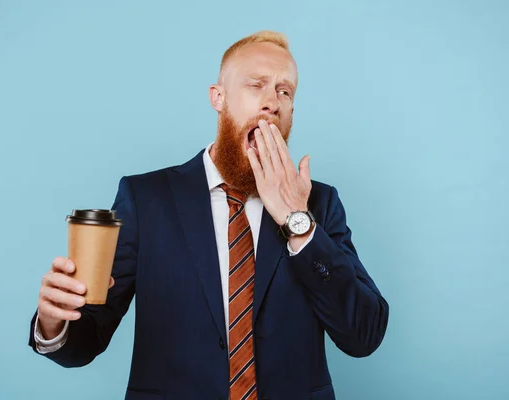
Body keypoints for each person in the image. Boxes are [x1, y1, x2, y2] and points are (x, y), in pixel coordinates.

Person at [28, 30, 389, 400]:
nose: (272, 102)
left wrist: (297, 222)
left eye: (285, 91)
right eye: (256, 84)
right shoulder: (145, 199)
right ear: (218, 98)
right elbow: (87, 340)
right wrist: (54, 321)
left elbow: (364, 334)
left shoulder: (318, 204)